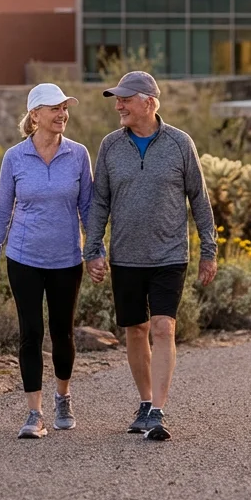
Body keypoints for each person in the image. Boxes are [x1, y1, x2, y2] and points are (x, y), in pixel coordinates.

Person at [84, 71, 217, 441]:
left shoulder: (179, 143)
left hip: (169, 255)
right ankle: (144, 403)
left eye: (125, 99)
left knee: (163, 326)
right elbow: (99, 202)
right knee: (135, 329)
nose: (119, 106)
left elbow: (200, 200)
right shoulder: (111, 146)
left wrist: (209, 250)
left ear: (149, 102)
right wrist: (92, 249)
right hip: (125, 255)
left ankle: (157, 411)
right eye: (117, 100)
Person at [0, 83, 94, 440]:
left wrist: (96, 252)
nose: (62, 114)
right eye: (54, 108)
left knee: (62, 332)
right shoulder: (14, 158)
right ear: (35, 116)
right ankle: (34, 413)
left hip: (66, 258)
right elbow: (2, 211)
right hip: (23, 258)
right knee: (31, 334)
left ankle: (63, 397)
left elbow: (89, 208)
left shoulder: (78, 155)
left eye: (65, 108)